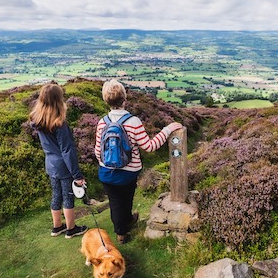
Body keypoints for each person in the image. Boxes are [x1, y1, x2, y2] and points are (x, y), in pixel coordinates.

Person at [95, 79, 182, 244]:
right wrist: (167, 129)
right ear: (124, 99)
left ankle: (122, 228)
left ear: (106, 100)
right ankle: (124, 227)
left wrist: (107, 164)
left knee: (115, 202)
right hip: (129, 172)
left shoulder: (102, 123)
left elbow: (97, 150)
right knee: (126, 200)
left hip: (106, 172)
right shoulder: (133, 122)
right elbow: (149, 146)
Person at [29, 82, 88, 239]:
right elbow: (67, 151)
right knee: (68, 197)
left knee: (56, 195)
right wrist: (77, 175)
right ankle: (71, 229)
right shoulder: (59, 124)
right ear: (58, 100)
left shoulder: (37, 120)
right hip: (64, 167)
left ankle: (57, 227)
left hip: (50, 164)